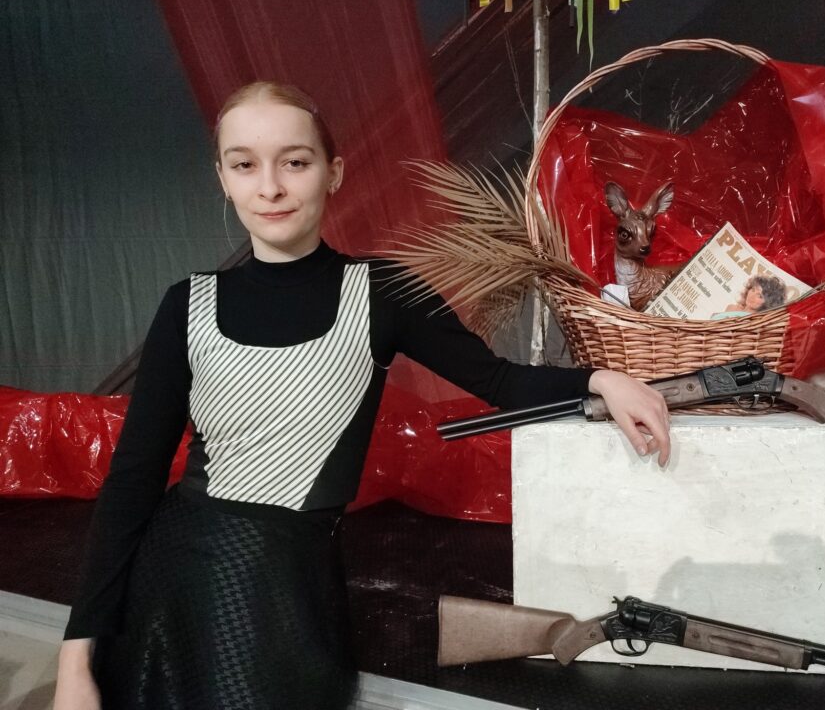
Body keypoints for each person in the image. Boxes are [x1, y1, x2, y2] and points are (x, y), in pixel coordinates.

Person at [53, 81, 672, 709]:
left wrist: (598, 378)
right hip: (174, 581)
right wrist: (75, 660)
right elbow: (132, 480)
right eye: (244, 165)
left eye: (295, 162)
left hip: (293, 588)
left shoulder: (382, 292)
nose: (270, 187)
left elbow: (498, 380)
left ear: (334, 172)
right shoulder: (187, 304)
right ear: (223, 179)